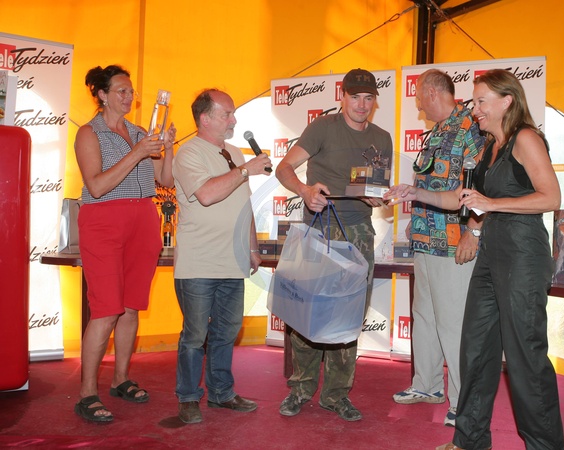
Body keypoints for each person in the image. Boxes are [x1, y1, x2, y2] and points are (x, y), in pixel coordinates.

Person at [385, 69, 564, 450]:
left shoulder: (526, 138)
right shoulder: (489, 146)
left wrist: (492, 204)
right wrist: (416, 193)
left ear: (507, 101)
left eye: (482, 101)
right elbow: (462, 198)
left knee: (525, 357)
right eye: (474, 101)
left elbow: (551, 197)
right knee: (475, 349)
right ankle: (469, 441)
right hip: (490, 256)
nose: (475, 108)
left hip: (522, 255)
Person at [275, 68, 393, 422]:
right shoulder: (322, 128)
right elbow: (284, 168)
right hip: (318, 232)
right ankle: (301, 388)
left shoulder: (382, 138)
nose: (362, 105)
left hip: (358, 233)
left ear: (375, 101)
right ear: (343, 97)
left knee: (348, 318)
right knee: (306, 314)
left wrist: (378, 197)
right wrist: (305, 190)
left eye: (368, 98)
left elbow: (375, 187)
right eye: (355, 97)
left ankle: (336, 395)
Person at [73, 64, 176, 423]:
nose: (129, 96)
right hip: (103, 220)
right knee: (106, 309)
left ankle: (120, 379)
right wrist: (137, 153)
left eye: (131, 91)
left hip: (143, 219)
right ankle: (87, 393)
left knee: (131, 307)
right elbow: (97, 185)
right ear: (102, 95)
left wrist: (168, 148)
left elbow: (166, 180)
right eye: (121, 90)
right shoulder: (89, 133)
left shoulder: (140, 132)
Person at [172, 89, 272, 424]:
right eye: (227, 114)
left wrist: (253, 248)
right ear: (205, 119)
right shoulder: (188, 153)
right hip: (199, 263)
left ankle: (221, 392)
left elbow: (244, 205)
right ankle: (188, 397)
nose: (234, 120)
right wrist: (245, 170)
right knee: (195, 335)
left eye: (232, 113)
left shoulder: (235, 152)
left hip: (233, 260)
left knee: (226, 332)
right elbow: (206, 194)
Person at [391, 69, 484, 428]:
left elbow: (481, 187)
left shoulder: (470, 127)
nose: (417, 104)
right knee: (425, 317)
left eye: (417, 96)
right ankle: (427, 385)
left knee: (454, 324)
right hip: (425, 240)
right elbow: (431, 183)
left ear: (431, 92)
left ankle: (463, 402)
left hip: (453, 244)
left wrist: (473, 233)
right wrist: (412, 206)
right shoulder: (439, 131)